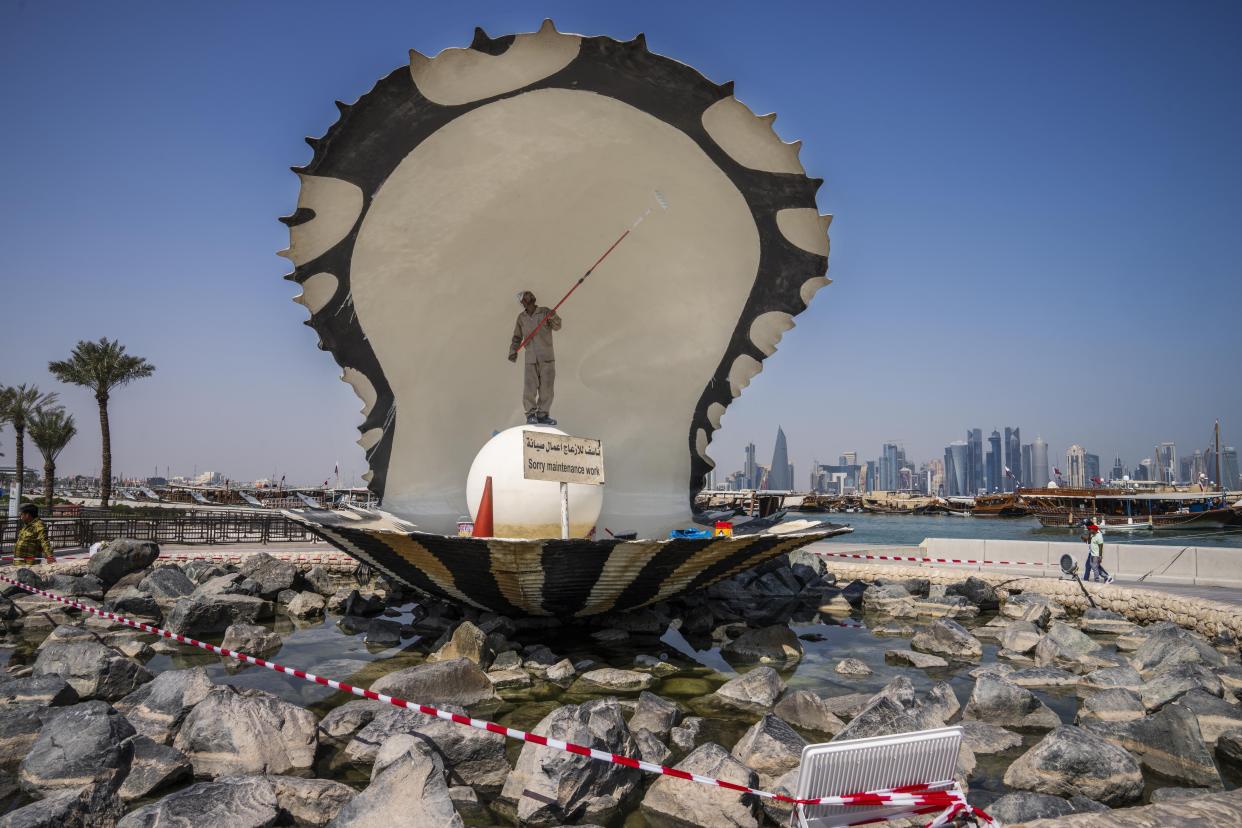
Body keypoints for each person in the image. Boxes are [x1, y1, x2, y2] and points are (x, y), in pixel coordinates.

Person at [508, 290, 561, 426]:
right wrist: (513, 351)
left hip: (547, 358)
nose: (529, 297)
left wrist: (553, 316)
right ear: (523, 302)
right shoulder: (521, 318)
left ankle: (543, 414)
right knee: (530, 388)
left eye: (530, 295)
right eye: (526, 296)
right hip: (531, 359)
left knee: (547, 388)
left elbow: (558, 326)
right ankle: (531, 414)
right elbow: (517, 337)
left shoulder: (545, 312)